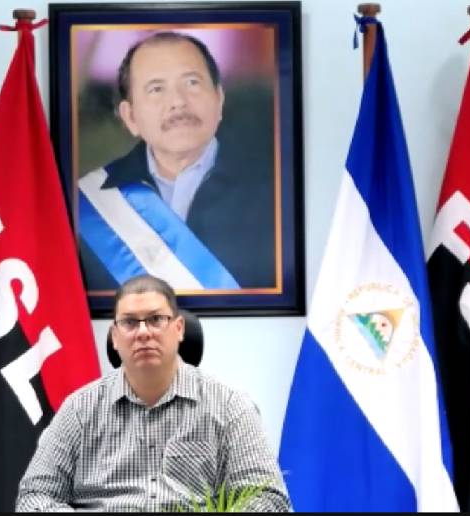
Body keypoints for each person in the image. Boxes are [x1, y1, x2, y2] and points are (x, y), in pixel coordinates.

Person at [15, 274, 291, 512]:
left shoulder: (229, 405)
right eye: (130, 322)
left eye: (156, 319)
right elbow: (34, 496)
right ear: (114, 336)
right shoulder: (79, 409)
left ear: (179, 329)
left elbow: (268, 497)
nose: (143, 332)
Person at [77, 31, 276, 292]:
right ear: (130, 116)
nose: (178, 102)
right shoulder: (88, 203)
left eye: (192, 83)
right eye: (156, 89)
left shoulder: (272, 190)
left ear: (219, 99)